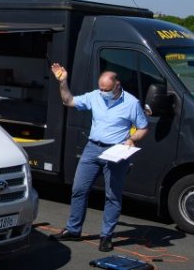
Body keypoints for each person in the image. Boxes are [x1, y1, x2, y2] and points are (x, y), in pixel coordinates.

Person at [50, 65, 149, 251]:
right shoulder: (95, 96)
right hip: (92, 149)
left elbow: (143, 127)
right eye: (101, 88)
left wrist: (131, 138)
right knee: (79, 189)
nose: (102, 92)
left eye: (106, 89)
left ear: (117, 85)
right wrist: (63, 82)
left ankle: (106, 236)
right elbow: (68, 100)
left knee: (112, 195)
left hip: (116, 151)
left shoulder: (131, 103)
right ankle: (73, 230)